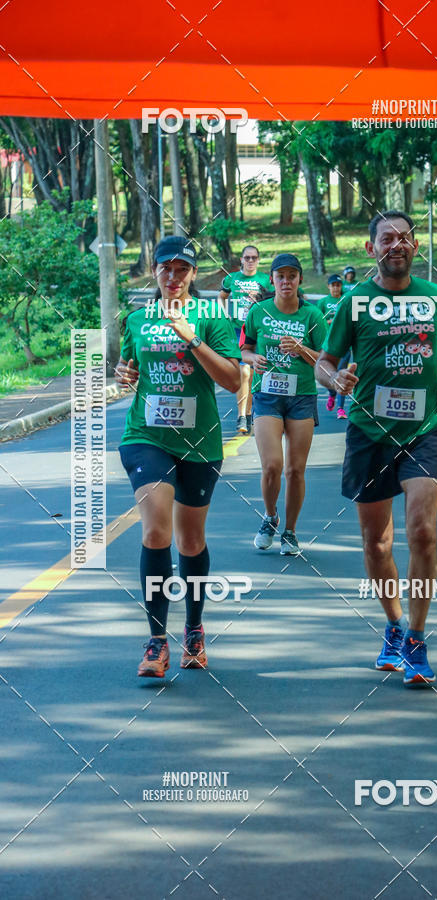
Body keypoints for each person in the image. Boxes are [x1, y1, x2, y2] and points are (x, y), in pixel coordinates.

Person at [316, 211, 437, 686]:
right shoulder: (354, 302)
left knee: (422, 532)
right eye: (387, 238)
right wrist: (335, 378)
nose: (397, 245)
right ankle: (395, 624)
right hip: (369, 431)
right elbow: (325, 362)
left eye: (405, 238)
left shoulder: (434, 297)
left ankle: (416, 640)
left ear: (415, 247)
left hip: (425, 427)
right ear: (371, 247)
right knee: (377, 543)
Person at [116, 235, 241, 678]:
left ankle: (193, 628)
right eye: (165, 268)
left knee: (190, 541)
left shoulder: (211, 317)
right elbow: (128, 372)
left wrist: (193, 342)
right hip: (145, 436)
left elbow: (233, 382)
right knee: (155, 532)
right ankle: (154, 642)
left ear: (193, 273)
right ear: (154, 271)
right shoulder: (136, 319)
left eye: (182, 269)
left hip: (200, 443)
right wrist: (124, 374)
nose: (173, 276)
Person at [242, 253, 328, 556]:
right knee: (272, 466)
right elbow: (245, 350)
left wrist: (302, 348)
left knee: (295, 470)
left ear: (299, 280)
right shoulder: (258, 312)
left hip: (302, 397)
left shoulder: (313, 316)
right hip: (266, 395)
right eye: (281, 276)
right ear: (272, 280)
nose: (286, 281)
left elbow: (327, 360)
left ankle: (290, 531)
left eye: (292, 276)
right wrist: (254, 360)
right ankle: (270, 516)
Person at [218, 245, 271, 434]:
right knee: (244, 373)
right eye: (247, 258)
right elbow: (222, 297)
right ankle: (242, 416)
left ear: (258, 260)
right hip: (238, 329)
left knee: (255, 374)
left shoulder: (265, 279)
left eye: (254, 258)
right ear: (241, 259)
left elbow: (273, 299)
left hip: (258, 330)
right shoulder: (231, 279)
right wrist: (224, 317)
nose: (250, 261)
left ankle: (250, 414)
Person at [316, 274, 350, 420]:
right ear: (328, 286)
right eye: (333, 285)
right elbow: (317, 322)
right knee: (330, 373)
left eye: (338, 285)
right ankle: (331, 394)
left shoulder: (346, 300)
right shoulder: (323, 302)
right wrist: (329, 322)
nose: (336, 287)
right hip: (329, 344)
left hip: (344, 343)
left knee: (342, 372)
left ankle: (341, 409)